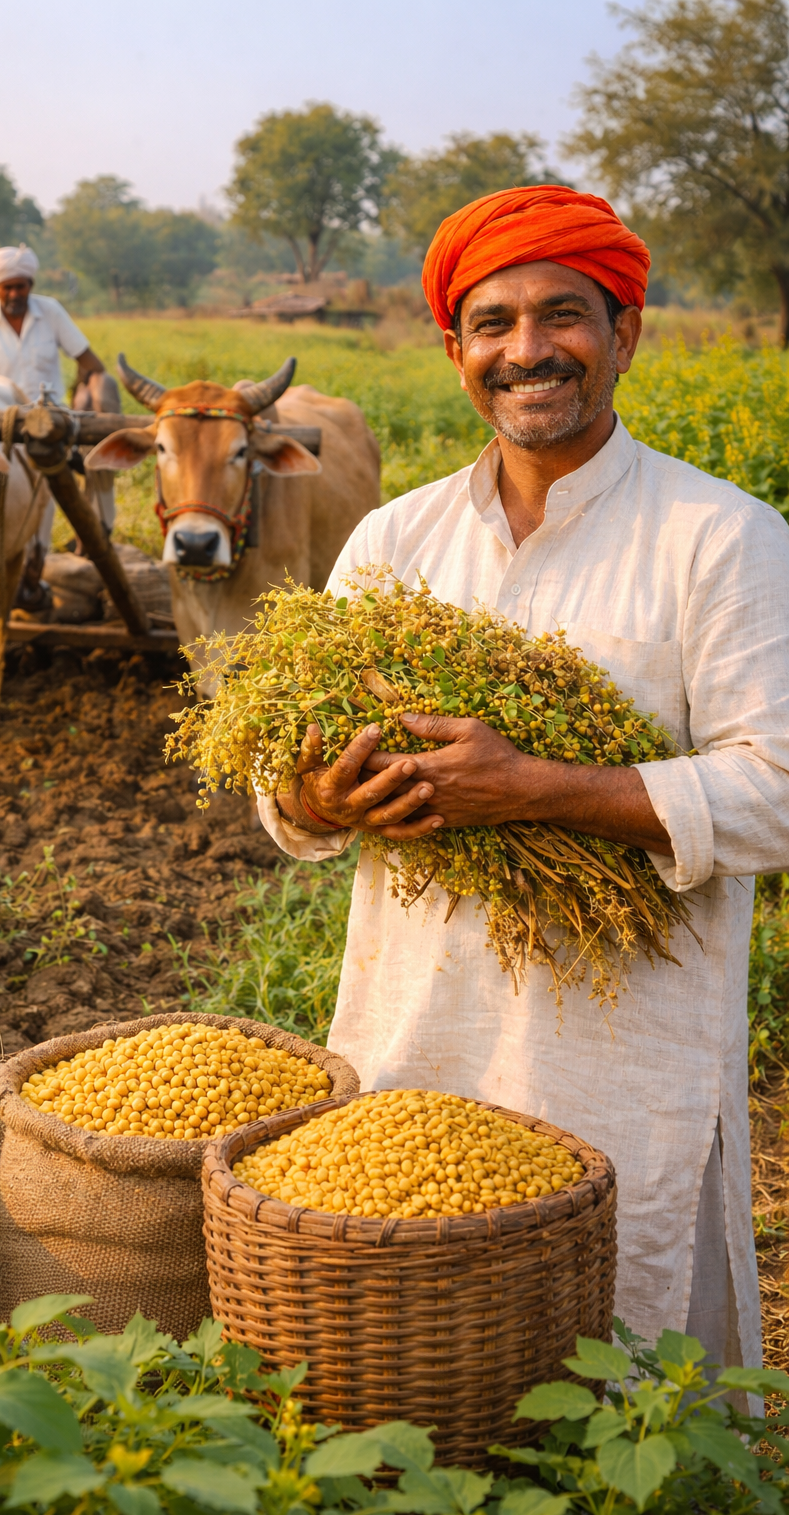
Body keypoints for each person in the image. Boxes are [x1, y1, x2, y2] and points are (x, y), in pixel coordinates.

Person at [258, 184, 789, 1369]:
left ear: (624, 334)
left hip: (622, 1052)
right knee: (412, 1356)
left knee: (621, 1357)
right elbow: (288, 778)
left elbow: (777, 792)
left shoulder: (719, 537)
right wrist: (317, 800)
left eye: (563, 315)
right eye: (491, 323)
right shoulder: (394, 541)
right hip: (415, 1031)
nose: (526, 349)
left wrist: (539, 788)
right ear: (454, 352)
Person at [0, 244, 121, 608]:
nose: (14, 294)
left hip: (53, 424)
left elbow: (90, 362)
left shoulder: (50, 311)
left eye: (20, 286)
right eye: (7, 287)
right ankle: (16, 569)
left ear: (30, 285)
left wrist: (85, 397)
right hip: (4, 426)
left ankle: (43, 561)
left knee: (46, 499)